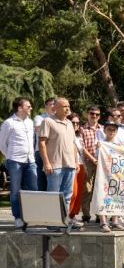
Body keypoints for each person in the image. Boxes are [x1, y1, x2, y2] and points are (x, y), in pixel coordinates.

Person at [38, 98, 80, 230]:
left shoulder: (69, 123)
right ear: (56, 107)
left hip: (70, 165)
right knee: (53, 195)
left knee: (67, 195)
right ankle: (52, 223)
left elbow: (73, 144)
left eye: (68, 105)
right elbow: (42, 143)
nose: (67, 108)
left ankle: (65, 221)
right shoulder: (48, 121)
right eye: (64, 106)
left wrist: (76, 161)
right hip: (55, 165)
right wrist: (46, 163)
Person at [0, 97, 38, 228]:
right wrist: (10, 156)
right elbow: (2, 143)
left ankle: (31, 215)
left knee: (34, 189)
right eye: (28, 106)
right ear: (20, 108)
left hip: (30, 160)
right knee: (15, 190)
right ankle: (17, 217)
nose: (31, 108)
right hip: (15, 161)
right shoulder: (9, 123)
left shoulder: (30, 122)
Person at [96, 122, 124, 232]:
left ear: (117, 132)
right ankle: (103, 222)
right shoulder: (101, 144)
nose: (112, 132)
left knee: (116, 197)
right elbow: (96, 157)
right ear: (104, 131)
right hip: (103, 175)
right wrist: (98, 148)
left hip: (116, 175)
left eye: (114, 130)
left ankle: (115, 221)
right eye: (109, 129)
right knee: (103, 197)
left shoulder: (119, 145)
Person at [80, 106, 101, 223]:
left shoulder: (103, 129)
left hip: (102, 163)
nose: (94, 116)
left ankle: (100, 215)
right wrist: (93, 159)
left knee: (99, 189)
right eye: (92, 113)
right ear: (87, 114)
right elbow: (82, 148)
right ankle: (86, 214)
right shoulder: (82, 129)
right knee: (87, 190)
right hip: (88, 162)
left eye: (97, 114)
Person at [33, 98, 55, 191]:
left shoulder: (61, 119)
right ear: (46, 107)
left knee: (53, 181)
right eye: (51, 104)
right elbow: (38, 128)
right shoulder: (39, 118)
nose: (54, 106)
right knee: (41, 181)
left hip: (54, 153)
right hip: (41, 153)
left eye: (55, 104)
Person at [67, 114, 86, 223]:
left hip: (81, 165)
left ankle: (73, 215)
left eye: (77, 123)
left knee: (79, 193)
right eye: (73, 122)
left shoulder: (78, 137)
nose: (75, 125)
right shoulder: (66, 136)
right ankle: (68, 215)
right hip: (71, 165)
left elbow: (81, 154)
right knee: (72, 192)